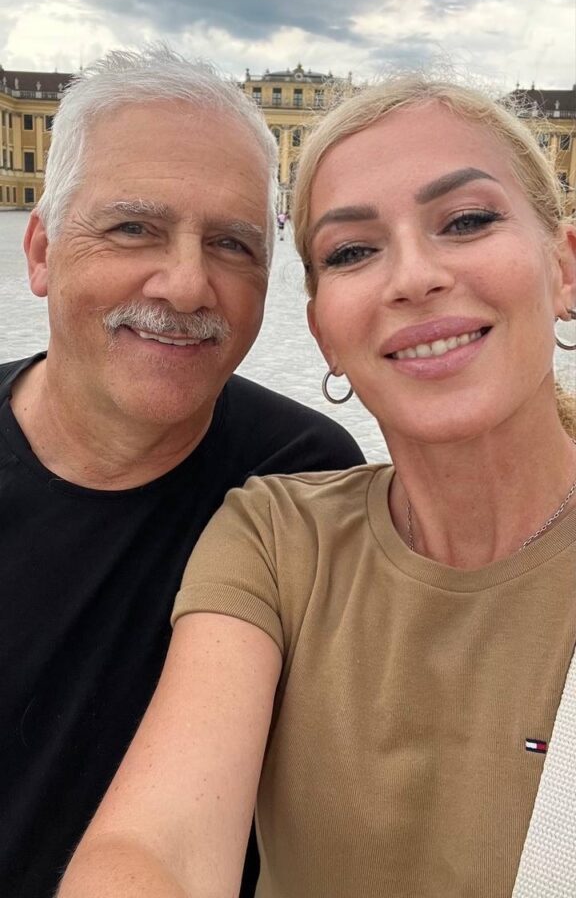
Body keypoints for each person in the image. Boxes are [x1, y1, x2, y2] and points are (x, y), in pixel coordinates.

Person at [57, 73, 576, 898]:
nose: (413, 277)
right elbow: (162, 849)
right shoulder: (277, 533)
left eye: (467, 220)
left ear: (565, 266)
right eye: (351, 252)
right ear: (323, 333)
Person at [0, 45, 365, 898]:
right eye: (134, 228)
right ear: (41, 250)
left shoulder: (304, 484)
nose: (187, 285)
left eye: (233, 244)